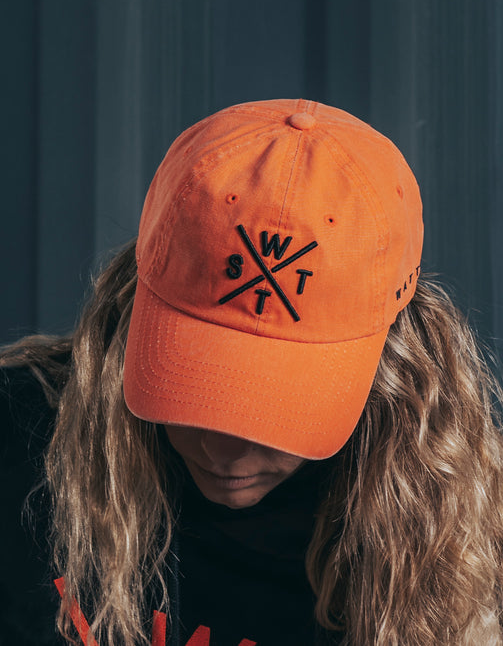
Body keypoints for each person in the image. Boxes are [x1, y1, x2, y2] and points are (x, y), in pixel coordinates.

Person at [1, 99, 503, 646]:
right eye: (192, 382)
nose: (222, 452)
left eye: (275, 403)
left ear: (393, 362)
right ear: (136, 303)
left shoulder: (456, 535)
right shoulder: (17, 434)